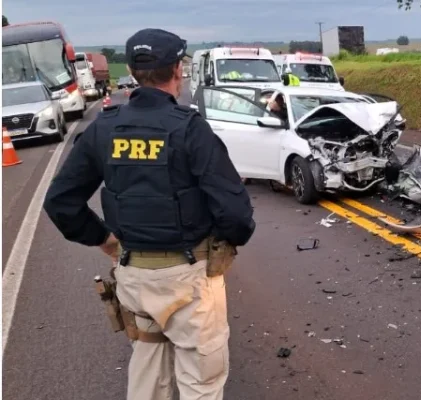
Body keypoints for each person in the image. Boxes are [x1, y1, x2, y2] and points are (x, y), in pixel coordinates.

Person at [42, 28, 255, 400]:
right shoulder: (191, 129)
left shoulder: (103, 129)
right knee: (201, 384)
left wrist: (106, 241)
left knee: (148, 371)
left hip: (134, 278)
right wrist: (222, 246)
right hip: (189, 281)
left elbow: (61, 201)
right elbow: (236, 215)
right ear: (177, 70)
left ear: (135, 73)